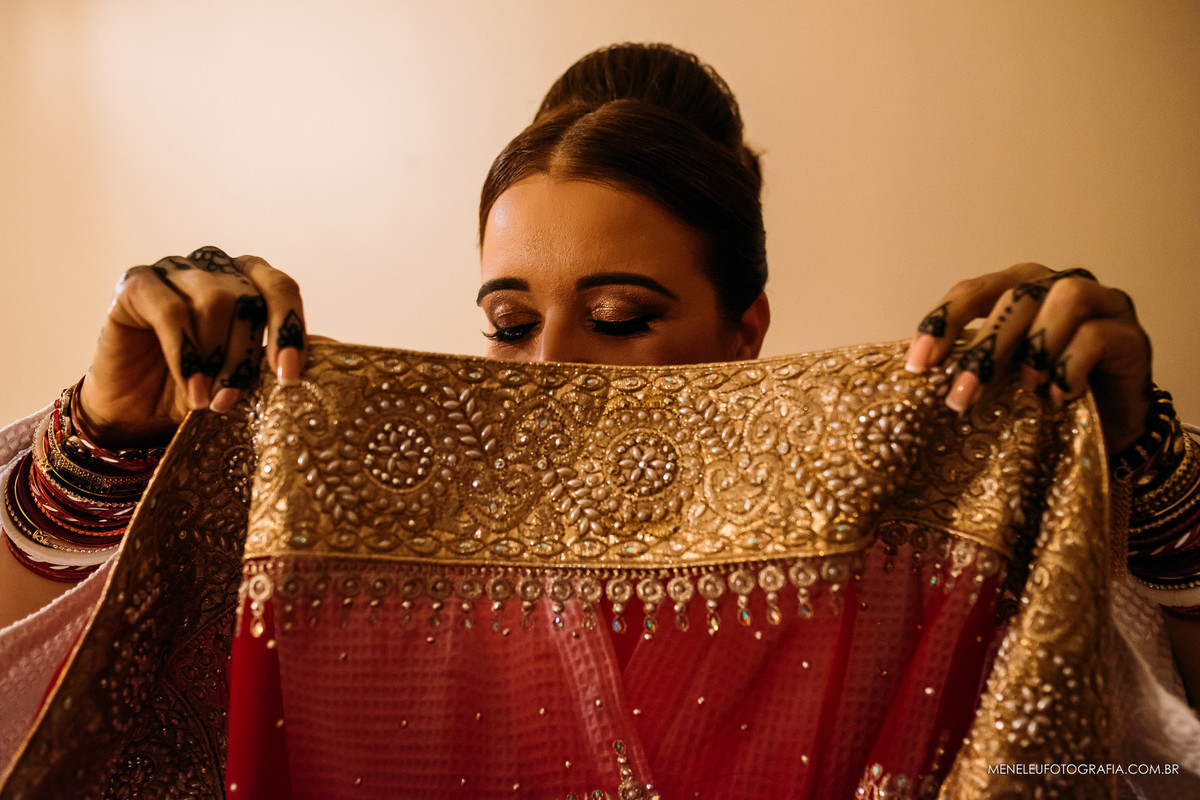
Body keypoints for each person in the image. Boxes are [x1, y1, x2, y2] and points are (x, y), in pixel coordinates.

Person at [1, 43, 1197, 797]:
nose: (553, 365)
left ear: (747, 330)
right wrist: (115, 443)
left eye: (622, 317)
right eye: (511, 322)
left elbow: (1120, 756)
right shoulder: (358, 540)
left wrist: (1134, 475)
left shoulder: (892, 548)